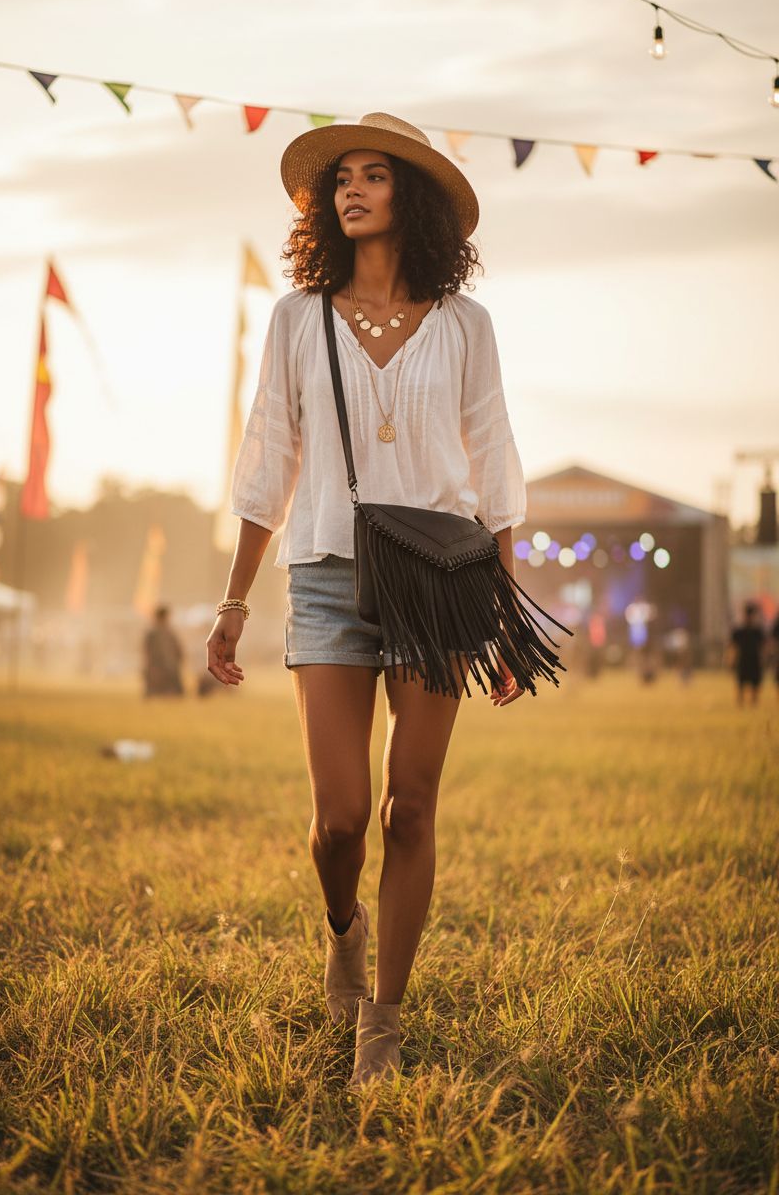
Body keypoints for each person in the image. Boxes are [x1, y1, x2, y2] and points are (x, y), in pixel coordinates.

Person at [205, 113, 528, 1088]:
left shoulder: (466, 324)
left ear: (410, 196)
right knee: (341, 816)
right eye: (339, 177)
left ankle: (379, 1026)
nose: (351, 190)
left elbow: (495, 464)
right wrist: (232, 602)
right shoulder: (296, 317)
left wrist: (506, 610)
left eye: (374, 175)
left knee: (411, 809)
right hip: (327, 575)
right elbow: (267, 461)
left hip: (441, 581)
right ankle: (342, 928)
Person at [727, 601, 766, 707]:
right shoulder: (739, 631)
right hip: (743, 659)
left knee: (755, 683)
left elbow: (763, 647)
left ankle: (754, 703)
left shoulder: (757, 631)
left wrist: (764, 659)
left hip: (754, 660)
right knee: (741, 683)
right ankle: (740, 703)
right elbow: (733, 646)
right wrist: (731, 660)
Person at [142, 604, 184, 697]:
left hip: (169, 666)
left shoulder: (169, 632)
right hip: (158, 667)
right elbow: (148, 651)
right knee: (156, 693)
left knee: (171, 693)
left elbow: (178, 649)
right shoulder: (152, 633)